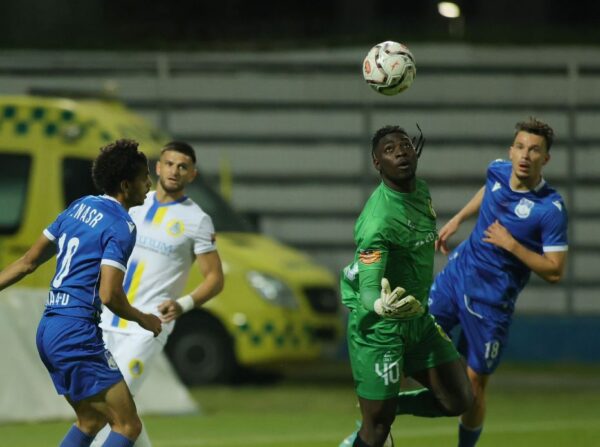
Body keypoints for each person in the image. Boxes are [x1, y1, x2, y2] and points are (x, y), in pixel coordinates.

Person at [0, 139, 162, 447]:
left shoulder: (79, 206)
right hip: (76, 332)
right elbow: (109, 295)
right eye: (144, 178)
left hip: (49, 328)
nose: (148, 184)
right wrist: (144, 319)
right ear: (126, 185)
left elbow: (27, 262)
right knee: (128, 426)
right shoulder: (121, 226)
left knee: (91, 420)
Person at [428, 117, 568, 447]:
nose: (525, 155)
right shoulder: (497, 170)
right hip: (457, 276)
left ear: (545, 159)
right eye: (520, 147)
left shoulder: (550, 208)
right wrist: (460, 218)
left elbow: (555, 271)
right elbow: (487, 189)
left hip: (492, 303)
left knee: (474, 388)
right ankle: (376, 427)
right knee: (416, 340)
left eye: (534, 150)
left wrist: (512, 245)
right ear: (511, 150)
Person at [339, 125, 473, 447]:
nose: (400, 152)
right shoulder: (378, 220)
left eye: (405, 145)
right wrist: (380, 305)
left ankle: (382, 408)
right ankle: (374, 417)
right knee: (376, 433)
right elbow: (370, 289)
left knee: (459, 400)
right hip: (379, 327)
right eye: (389, 150)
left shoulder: (421, 191)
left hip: (417, 321)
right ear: (377, 163)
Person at [91, 141, 224, 447]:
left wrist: (183, 303)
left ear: (192, 174)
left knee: (108, 406)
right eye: (169, 164)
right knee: (122, 412)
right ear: (158, 167)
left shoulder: (197, 220)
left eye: (183, 166)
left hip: (148, 326)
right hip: (108, 317)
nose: (175, 171)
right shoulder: (133, 203)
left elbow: (215, 278)